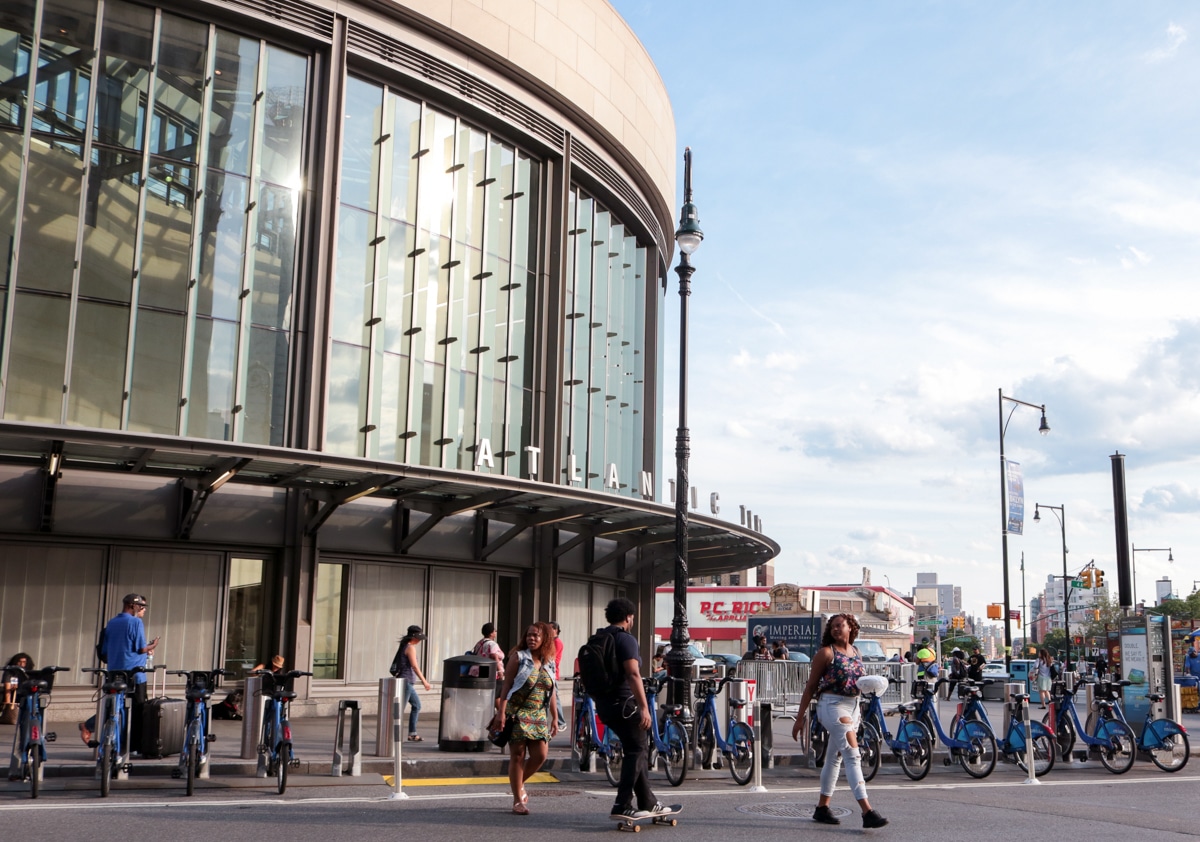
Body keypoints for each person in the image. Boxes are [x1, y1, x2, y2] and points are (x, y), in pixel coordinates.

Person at [790, 614, 887, 829]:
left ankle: (822, 808)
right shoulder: (826, 653)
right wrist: (799, 718)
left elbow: (855, 680)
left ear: (850, 628)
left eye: (840, 626)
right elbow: (810, 687)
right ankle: (867, 811)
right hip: (832, 706)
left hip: (853, 706)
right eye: (832, 627)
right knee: (853, 754)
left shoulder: (856, 652)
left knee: (834, 758)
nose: (835, 629)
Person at [592, 598, 675, 823]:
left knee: (634, 749)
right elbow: (633, 674)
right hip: (624, 704)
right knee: (637, 749)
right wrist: (644, 707)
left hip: (604, 704)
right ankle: (622, 803)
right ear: (629, 617)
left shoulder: (598, 637)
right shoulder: (625, 639)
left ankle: (648, 802)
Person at [491, 622, 558, 815]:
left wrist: (555, 717)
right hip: (517, 713)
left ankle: (518, 784)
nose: (532, 638)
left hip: (538, 714)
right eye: (529, 635)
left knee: (541, 755)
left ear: (544, 638)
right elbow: (506, 687)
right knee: (518, 756)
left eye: (536, 636)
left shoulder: (549, 661)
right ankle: (517, 800)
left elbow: (552, 690)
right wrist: (501, 713)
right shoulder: (519, 658)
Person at [80, 594, 158, 750]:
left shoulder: (112, 623)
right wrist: (153, 645)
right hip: (135, 674)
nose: (142, 610)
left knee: (112, 706)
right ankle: (133, 747)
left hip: (114, 672)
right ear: (133, 605)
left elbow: (105, 650)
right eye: (141, 606)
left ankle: (91, 727)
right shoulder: (136, 622)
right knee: (137, 709)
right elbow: (141, 648)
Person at [391, 625, 431, 741]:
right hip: (406, 681)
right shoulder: (410, 648)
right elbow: (414, 666)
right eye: (419, 638)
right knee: (400, 709)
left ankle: (412, 734)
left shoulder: (405, 646)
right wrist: (425, 681)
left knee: (416, 705)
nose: (420, 641)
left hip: (406, 681)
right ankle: (392, 734)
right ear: (413, 637)